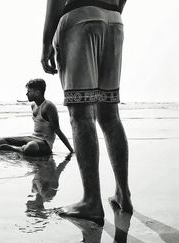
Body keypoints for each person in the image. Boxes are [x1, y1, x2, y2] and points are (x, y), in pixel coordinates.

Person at [41, 0, 133, 226]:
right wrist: (110, 13)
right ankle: (123, 194)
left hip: (80, 16)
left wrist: (45, 43)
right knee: (110, 114)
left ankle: (91, 201)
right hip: (113, 20)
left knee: (81, 114)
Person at [0, 79, 74, 156]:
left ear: (38, 92)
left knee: (31, 147)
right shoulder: (33, 105)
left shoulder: (49, 106)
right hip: (31, 137)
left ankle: (16, 149)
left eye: (29, 91)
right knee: (1, 140)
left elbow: (57, 130)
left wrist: (71, 150)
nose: (26, 94)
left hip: (44, 143)